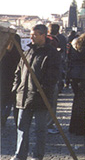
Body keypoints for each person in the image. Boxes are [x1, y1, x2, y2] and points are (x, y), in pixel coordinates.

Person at [11, 24, 61, 160]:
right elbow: (18, 72)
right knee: (22, 128)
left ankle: (37, 156)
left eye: (35, 34)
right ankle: (20, 155)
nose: (31, 37)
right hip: (23, 95)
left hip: (41, 97)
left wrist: (44, 89)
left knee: (40, 130)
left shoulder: (51, 53)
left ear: (43, 36)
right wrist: (16, 88)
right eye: (31, 34)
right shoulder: (27, 52)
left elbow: (53, 76)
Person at [46, 24, 67, 135]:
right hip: (53, 78)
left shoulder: (46, 41)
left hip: (47, 78)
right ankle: (48, 125)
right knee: (52, 102)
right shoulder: (58, 40)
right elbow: (62, 58)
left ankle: (45, 124)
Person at [1, 34, 21, 127]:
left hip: (11, 82)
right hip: (9, 81)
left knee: (9, 102)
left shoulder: (5, 54)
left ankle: (4, 118)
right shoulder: (21, 54)